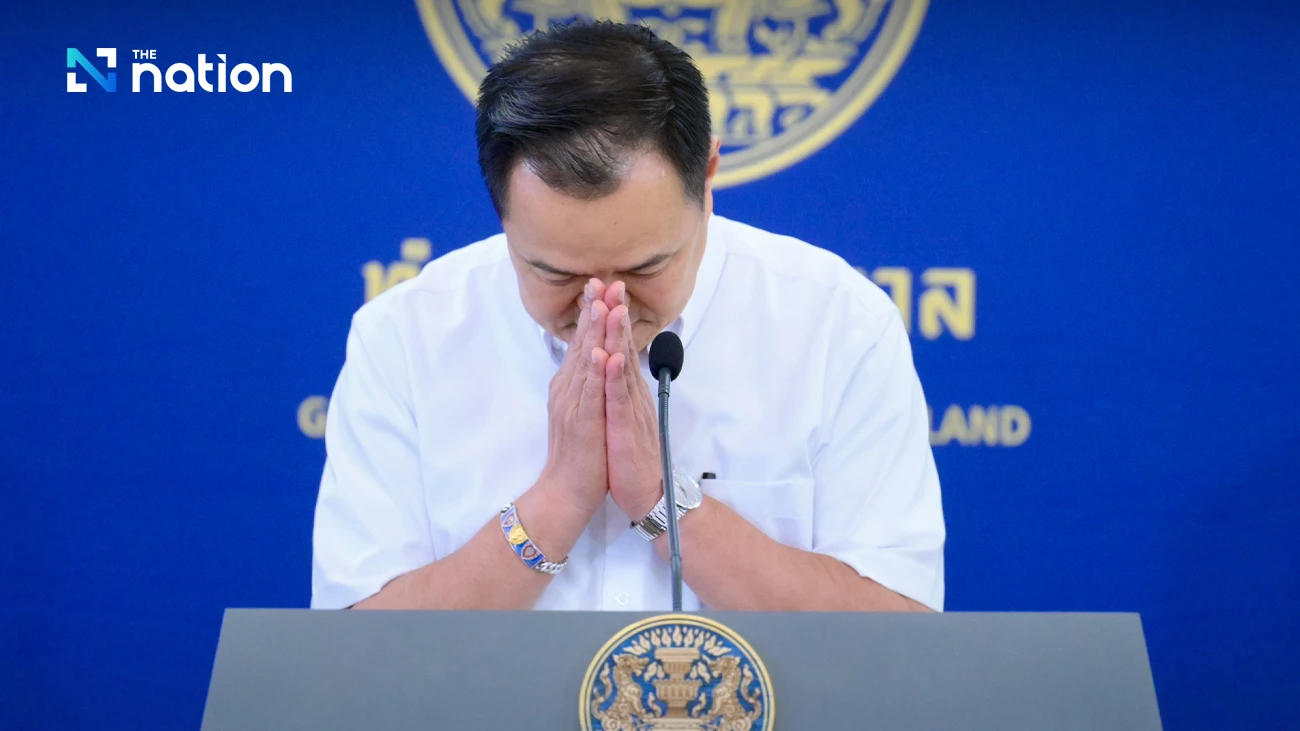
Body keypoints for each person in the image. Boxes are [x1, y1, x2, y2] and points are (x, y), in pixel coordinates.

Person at [311, 20, 945, 612]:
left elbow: (900, 626)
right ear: (501, 213)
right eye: (557, 274)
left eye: (645, 268)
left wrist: (663, 500)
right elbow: (352, 647)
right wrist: (557, 501)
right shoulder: (406, 336)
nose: (604, 307)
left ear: (708, 178)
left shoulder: (836, 323)